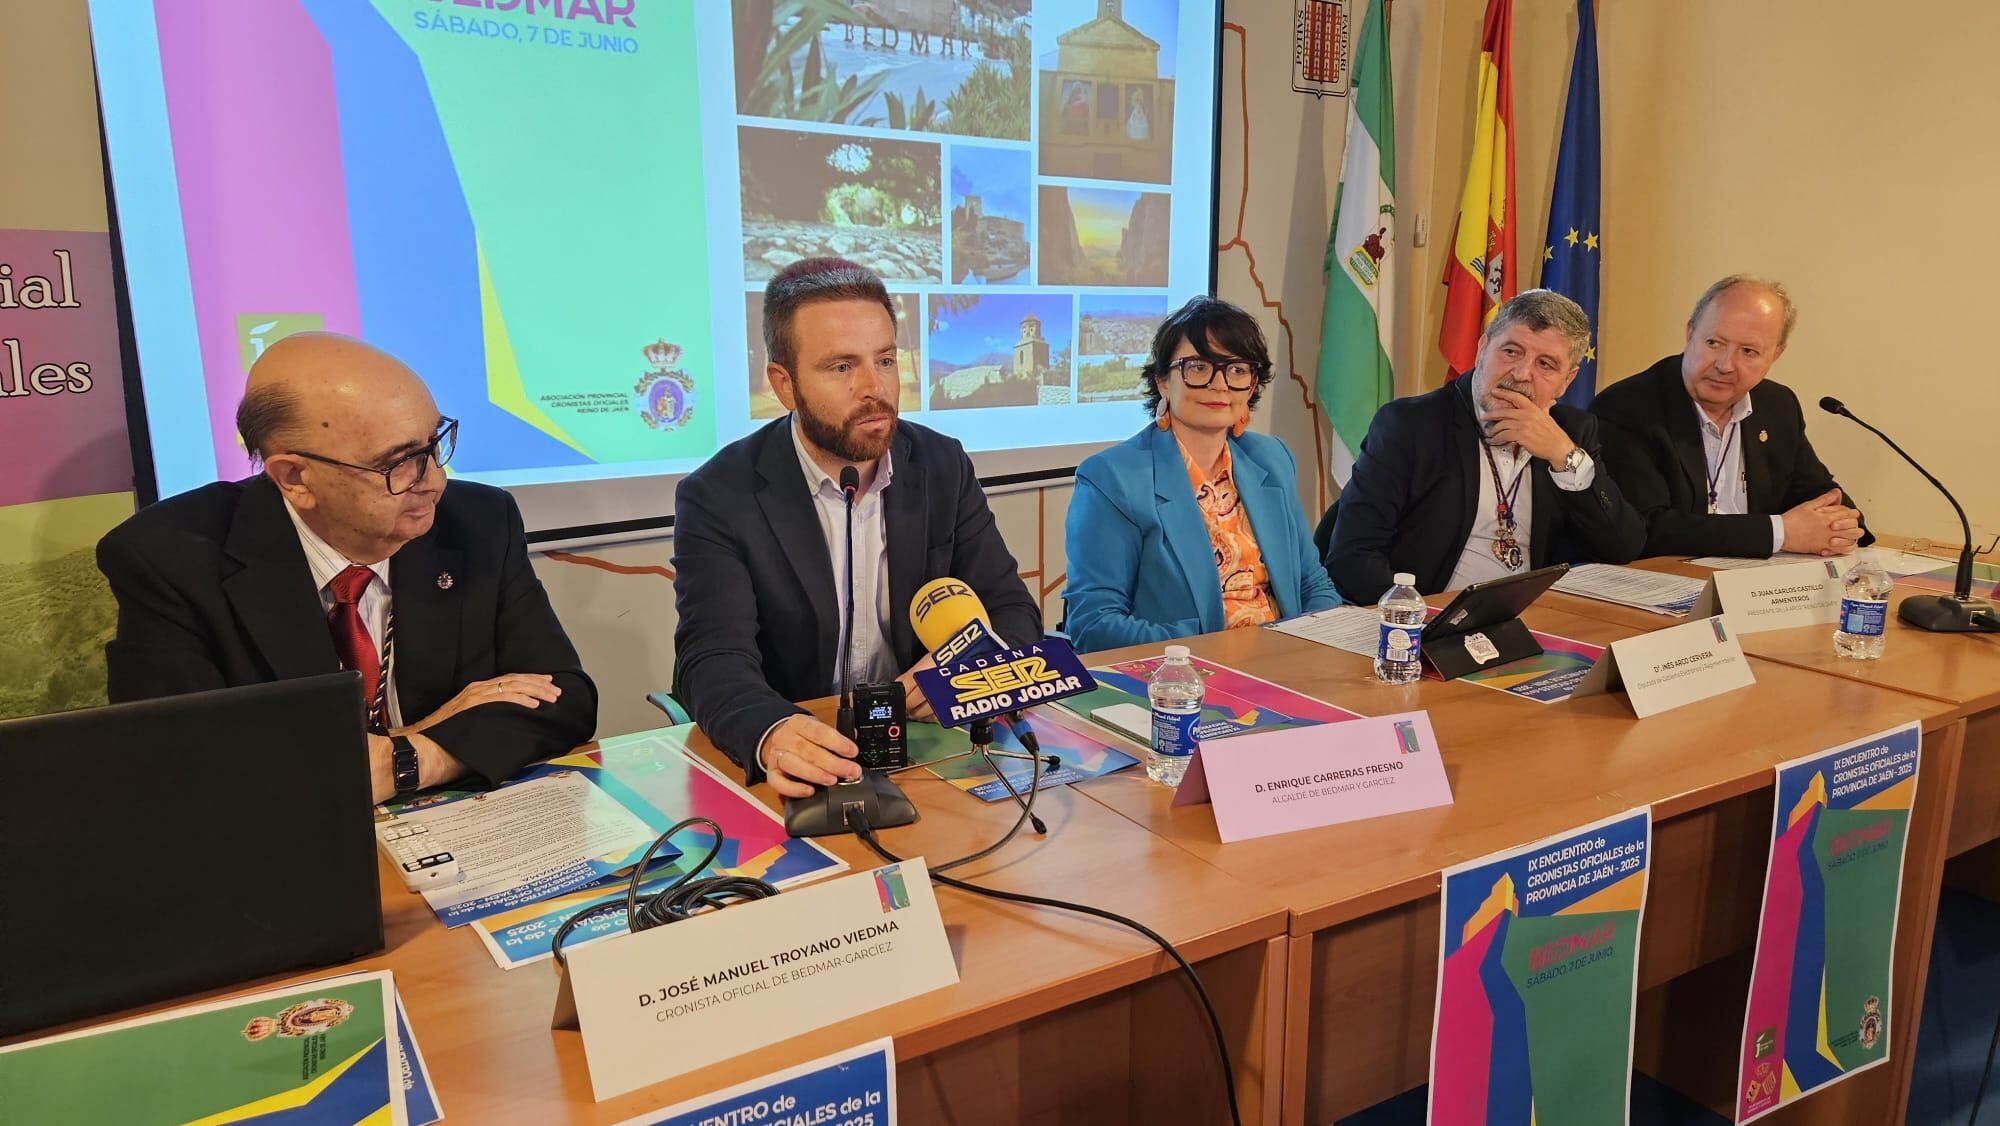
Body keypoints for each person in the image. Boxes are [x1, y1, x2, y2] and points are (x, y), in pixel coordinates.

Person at [96, 333, 597, 804]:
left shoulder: (479, 521)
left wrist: (406, 758)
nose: (435, 481)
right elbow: (183, 770)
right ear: (294, 477)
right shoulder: (171, 558)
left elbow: (565, 701)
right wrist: (425, 736)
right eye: (398, 462)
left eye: (433, 443)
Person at [672, 258, 1041, 798]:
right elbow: (712, 660)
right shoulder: (719, 495)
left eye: (885, 360)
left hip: (927, 747)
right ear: (784, 383)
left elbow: (1012, 610)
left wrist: (963, 662)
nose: (875, 387)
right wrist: (773, 732)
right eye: (842, 367)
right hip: (807, 758)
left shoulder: (941, 464)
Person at [1325, 289, 1645, 603]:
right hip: (1428, 621)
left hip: (1531, 622)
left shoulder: (1573, 433)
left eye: (1545, 364)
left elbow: (1624, 547)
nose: (1521, 374)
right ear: (1482, 349)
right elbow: (1352, 560)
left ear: (1567, 380)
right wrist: (1420, 621)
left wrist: (1566, 458)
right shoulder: (1411, 426)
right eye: (1511, 351)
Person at [1062, 296, 1341, 653]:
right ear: (1163, 380)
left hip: (1286, 665)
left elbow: (1313, 585)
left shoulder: (1271, 458)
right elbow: (1095, 626)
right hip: (1185, 678)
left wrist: (1307, 650)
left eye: (1237, 369)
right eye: (1198, 367)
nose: (1220, 384)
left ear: (1252, 384)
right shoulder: (1113, 477)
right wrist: (1216, 647)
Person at [1590, 276, 1869, 558]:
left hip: (1755, 588)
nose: (1725, 365)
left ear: (1775, 355)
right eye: (1714, 343)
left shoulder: (1777, 406)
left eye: (1748, 351)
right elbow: (1646, 528)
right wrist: (1780, 532)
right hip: (1663, 582)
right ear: (1690, 333)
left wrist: (1841, 525)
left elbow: (1821, 495)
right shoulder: (1627, 408)